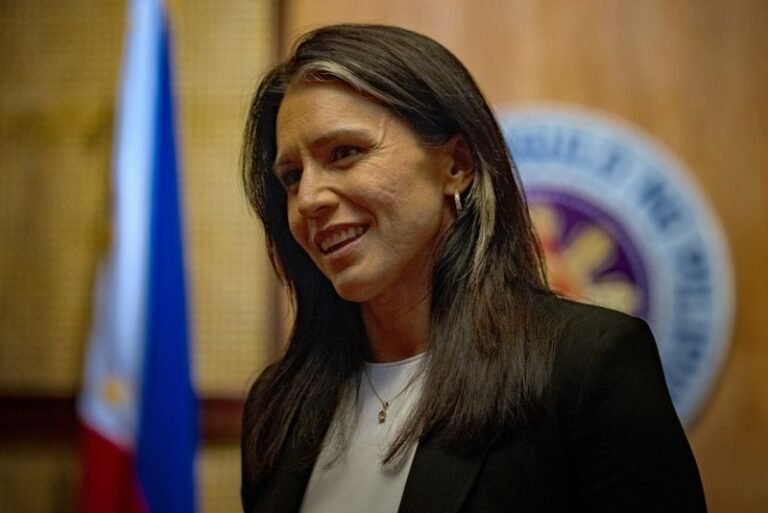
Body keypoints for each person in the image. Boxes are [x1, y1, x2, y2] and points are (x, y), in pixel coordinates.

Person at [240, 24, 706, 513]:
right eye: (292, 177)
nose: (309, 199)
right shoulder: (278, 406)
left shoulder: (585, 367)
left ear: (456, 165)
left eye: (345, 153)